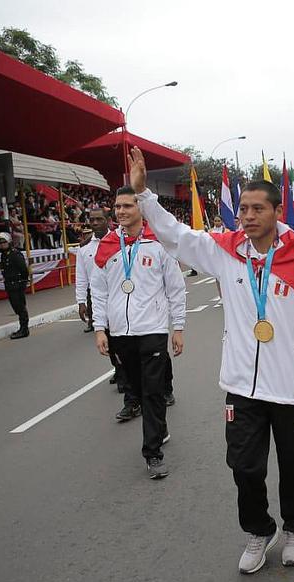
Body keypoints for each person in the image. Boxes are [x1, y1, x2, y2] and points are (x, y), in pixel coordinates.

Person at [128, 146, 294, 573]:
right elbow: (178, 236)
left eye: (258, 208)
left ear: (278, 212)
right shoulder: (226, 252)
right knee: (244, 466)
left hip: (290, 384)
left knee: (292, 465)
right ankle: (260, 530)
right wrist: (145, 195)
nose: (248, 215)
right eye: (243, 208)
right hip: (241, 384)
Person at [91, 186, 187, 480]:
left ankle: (153, 453)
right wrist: (99, 329)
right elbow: (99, 291)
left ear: (140, 210)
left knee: (154, 390)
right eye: (117, 207)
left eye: (127, 206)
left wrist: (178, 327)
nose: (120, 211)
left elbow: (175, 287)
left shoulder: (158, 243)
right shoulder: (107, 246)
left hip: (153, 329)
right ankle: (159, 426)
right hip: (121, 332)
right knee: (135, 388)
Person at [0, 232, 30, 339]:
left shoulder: (15, 254)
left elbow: (24, 269)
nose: (2, 244)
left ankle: (24, 329)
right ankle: (23, 328)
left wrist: (23, 281)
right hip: (9, 284)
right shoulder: (3, 255)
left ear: (9, 242)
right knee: (16, 307)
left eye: (4, 242)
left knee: (20, 307)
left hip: (17, 284)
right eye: (0, 243)